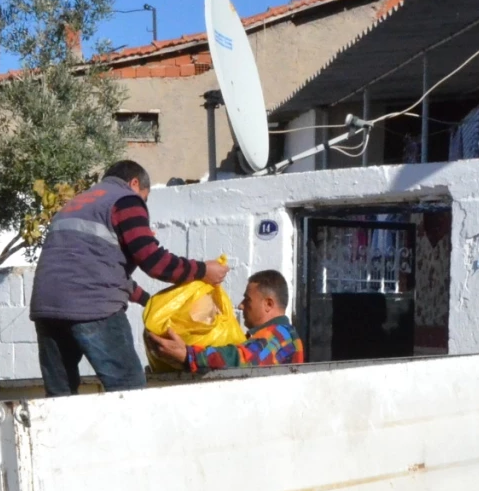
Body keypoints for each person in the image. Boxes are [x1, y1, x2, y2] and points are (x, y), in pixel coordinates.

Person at [30, 160, 228, 396]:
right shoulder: (125, 199)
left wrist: (150, 301)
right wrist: (203, 270)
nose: (143, 205)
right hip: (92, 305)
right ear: (134, 183)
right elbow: (154, 262)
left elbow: (99, 270)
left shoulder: (77, 204)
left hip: (47, 309)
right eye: (145, 198)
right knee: (129, 388)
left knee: (59, 395)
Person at [147, 270, 305, 371]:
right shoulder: (273, 336)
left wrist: (188, 354)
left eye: (247, 300)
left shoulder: (280, 335)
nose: (241, 306)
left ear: (268, 304)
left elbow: (240, 359)